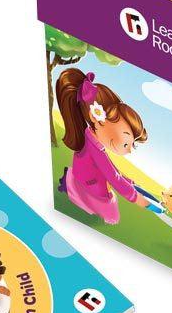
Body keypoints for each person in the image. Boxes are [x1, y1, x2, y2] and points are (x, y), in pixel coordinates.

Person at [55, 68, 148, 225]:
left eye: (132, 144)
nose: (129, 149)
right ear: (95, 117)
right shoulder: (94, 147)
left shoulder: (90, 136)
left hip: (88, 176)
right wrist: (135, 197)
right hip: (89, 184)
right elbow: (113, 177)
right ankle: (76, 193)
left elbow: (112, 169)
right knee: (113, 217)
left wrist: (129, 181)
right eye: (126, 143)